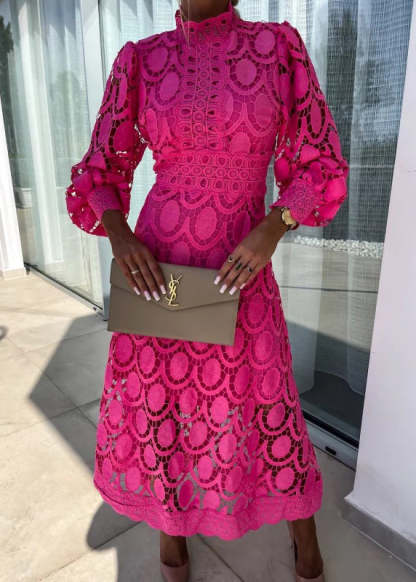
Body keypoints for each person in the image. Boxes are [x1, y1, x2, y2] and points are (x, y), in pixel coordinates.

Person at [65, 1, 349, 581]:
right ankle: (171, 531)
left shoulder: (277, 48)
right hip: (158, 265)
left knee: (267, 399)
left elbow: (320, 162)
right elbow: (99, 169)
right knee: (163, 403)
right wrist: (119, 235)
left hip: (241, 260)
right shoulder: (140, 61)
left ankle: (302, 528)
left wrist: (274, 225)